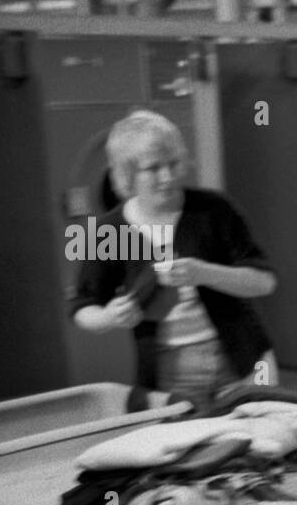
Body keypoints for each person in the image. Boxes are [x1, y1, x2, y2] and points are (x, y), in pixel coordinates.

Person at [70, 110, 278, 410]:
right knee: (191, 451)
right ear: (128, 175)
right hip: (169, 372)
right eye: (153, 168)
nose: (167, 177)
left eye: (173, 164)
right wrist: (109, 317)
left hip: (244, 358)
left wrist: (203, 273)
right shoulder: (107, 231)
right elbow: (82, 305)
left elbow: (265, 282)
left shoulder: (214, 210)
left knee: (259, 442)